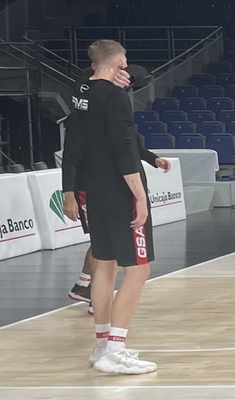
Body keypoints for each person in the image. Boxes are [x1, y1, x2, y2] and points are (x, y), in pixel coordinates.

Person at [59, 39, 160, 375]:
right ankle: (116, 349)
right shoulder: (115, 97)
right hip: (120, 190)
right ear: (120, 63)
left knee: (103, 266)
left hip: (93, 189)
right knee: (139, 270)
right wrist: (140, 196)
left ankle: (102, 345)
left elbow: (75, 142)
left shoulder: (81, 90)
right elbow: (123, 147)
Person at [67, 64, 167, 313]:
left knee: (105, 248)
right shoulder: (83, 105)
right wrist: (68, 192)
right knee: (106, 249)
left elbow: (129, 142)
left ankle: (86, 286)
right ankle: (90, 291)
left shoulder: (112, 108)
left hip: (109, 184)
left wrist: (152, 158)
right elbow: (70, 156)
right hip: (90, 185)